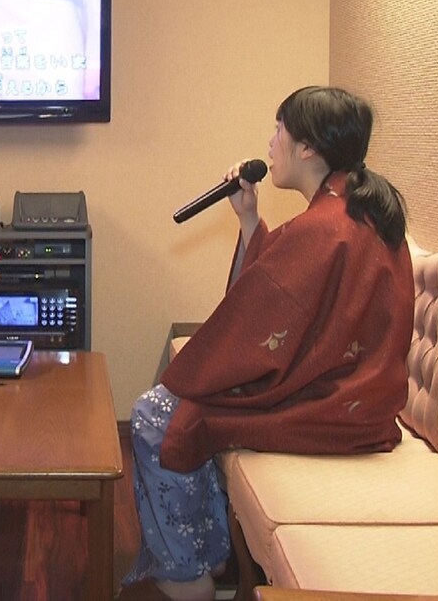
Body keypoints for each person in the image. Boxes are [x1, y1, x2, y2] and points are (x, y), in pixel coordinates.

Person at [121, 87, 413, 601]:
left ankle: (189, 573)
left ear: (308, 148)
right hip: (355, 399)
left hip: (324, 405)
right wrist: (248, 219)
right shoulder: (354, 211)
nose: (270, 143)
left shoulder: (324, 227)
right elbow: (272, 298)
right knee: (185, 406)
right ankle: (211, 556)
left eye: (279, 130)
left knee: (154, 414)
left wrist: (201, 370)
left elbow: (265, 310)